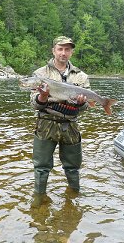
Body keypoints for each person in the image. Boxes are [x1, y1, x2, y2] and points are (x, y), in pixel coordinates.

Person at [30, 36, 90, 196]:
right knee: (41, 166)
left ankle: (74, 198)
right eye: (60, 49)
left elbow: (84, 107)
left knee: (73, 167)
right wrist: (42, 97)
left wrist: (80, 103)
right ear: (53, 51)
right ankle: (39, 200)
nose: (63, 53)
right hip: (46, 124)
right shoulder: (40, 74)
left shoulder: (81, 77)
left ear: (71, 52)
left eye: (67, 49)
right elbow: (34, 104)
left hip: (71, 125)